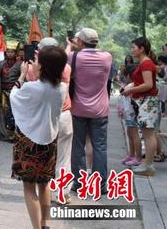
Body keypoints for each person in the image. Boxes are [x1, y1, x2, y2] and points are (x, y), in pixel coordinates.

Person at [10, 46, 67, 229]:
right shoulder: (62, 88)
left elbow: (14, 97)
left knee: (29, 187)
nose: (34, 63)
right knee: (44, 183)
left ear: (43, 66)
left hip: (29, 142)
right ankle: (46, 222)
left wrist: (21, 76)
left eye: (37, 61)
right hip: (49, 141)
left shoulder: (31, 87)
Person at [27, 37, 73, 204]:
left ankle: (43, 191)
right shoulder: (66, 68)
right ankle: (63, 193)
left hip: (43, 117)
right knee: (63, 156)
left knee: (43, 157)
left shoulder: (33, 70)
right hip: (64, 115)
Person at [65, 28, 112, 192]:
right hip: (100, 110)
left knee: (78, 146)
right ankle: (101, 185)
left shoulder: (74, 57)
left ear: (80, 41)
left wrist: (69, 46)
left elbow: (66, 75)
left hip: (78, 109)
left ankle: (78, 183)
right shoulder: (107, 57)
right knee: (100, 146)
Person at [121, 37, 160, 176]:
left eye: (133, 47)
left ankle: (148, 166)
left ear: (142, 48)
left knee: (148, 134)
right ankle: (147, 164)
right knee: (147, 133)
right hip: (144, 102)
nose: (132, 50)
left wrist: (131, 90)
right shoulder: (144, 63)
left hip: (148, 101)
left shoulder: (146, 63)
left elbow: (149, 84)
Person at [0, 41, 22, 142]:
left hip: (16, 92)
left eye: (12, 52)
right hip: (3, 92)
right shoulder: (0, 64)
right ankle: (3, 133)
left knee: (16, 113)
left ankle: (17, 134)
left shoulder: (20, 65)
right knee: (3, 112)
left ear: (16, 53)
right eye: (8, 52)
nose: (10, 54)